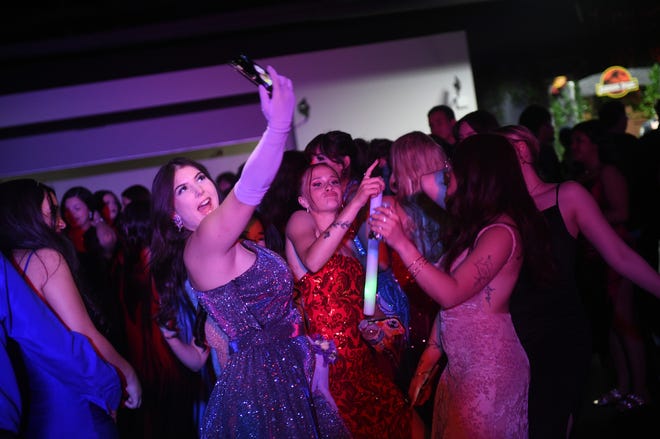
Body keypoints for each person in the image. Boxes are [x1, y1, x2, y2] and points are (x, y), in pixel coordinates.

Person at [149, 67, 348, 438]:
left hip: (289, 368)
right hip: (265, 387)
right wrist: (277, 127)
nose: (199, 189)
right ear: (173, 216)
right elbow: (250, 187)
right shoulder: (201, 244)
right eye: (183, 190)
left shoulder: (230, 241)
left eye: (199, 179)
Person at [374, 133, 549, 438]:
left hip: (489, 368)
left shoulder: (501, 233)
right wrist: (428, 361)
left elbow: (450, 293)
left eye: (453, 169)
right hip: (460, 367)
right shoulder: (476, 228)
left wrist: (401, 242)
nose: (445, 176)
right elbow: (449, 309)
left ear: (475, 176)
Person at [285, 161, 424, 438]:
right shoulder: (300, 221)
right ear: (303, 199)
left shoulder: (350, 240)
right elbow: (313, 260)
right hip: (328, 367)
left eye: (334, 181)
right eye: (317, 184)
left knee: (410, 426)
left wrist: (379, 326)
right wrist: (357, 201)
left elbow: (370, 287)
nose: (328, 187)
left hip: (363, 359)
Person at [0, 180, 142, 426]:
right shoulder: (46, 258)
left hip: (31, 396)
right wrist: (127, 373)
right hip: (69, 390)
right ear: (24, 216)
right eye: (53, 213)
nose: (63, 222)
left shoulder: (8, 262)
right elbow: (83, 332)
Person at [570, 120, 655, 410]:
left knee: (625, 321)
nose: (573, 146)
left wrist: (587, 221)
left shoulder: (608, 173)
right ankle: (622, 385)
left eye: (580, 140)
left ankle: (641, 388)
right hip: (594, 257)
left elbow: (622, 211)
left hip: (616, 255)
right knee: (610, 325)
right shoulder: (584, 175)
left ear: (595, 143)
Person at [0, 253, 122, 438]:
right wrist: (110, 386)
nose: (63, 225)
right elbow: (46, 341)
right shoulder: (45, 259)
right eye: (55, 220)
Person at [113, 201, 205, 438]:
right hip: (171, 362)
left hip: (147, 362)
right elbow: (170, 315)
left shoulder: (125, 264)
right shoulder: (155, 263)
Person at [304, 130, 361, 204]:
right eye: (310, 159)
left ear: (345, 162)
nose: (312, 164)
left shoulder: (356, 195)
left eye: (320, 159)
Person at [518, 104, 563, 182]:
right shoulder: (545, 152)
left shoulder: (520, 153)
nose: (552, 128)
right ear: (539, 127)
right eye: (548, 124)